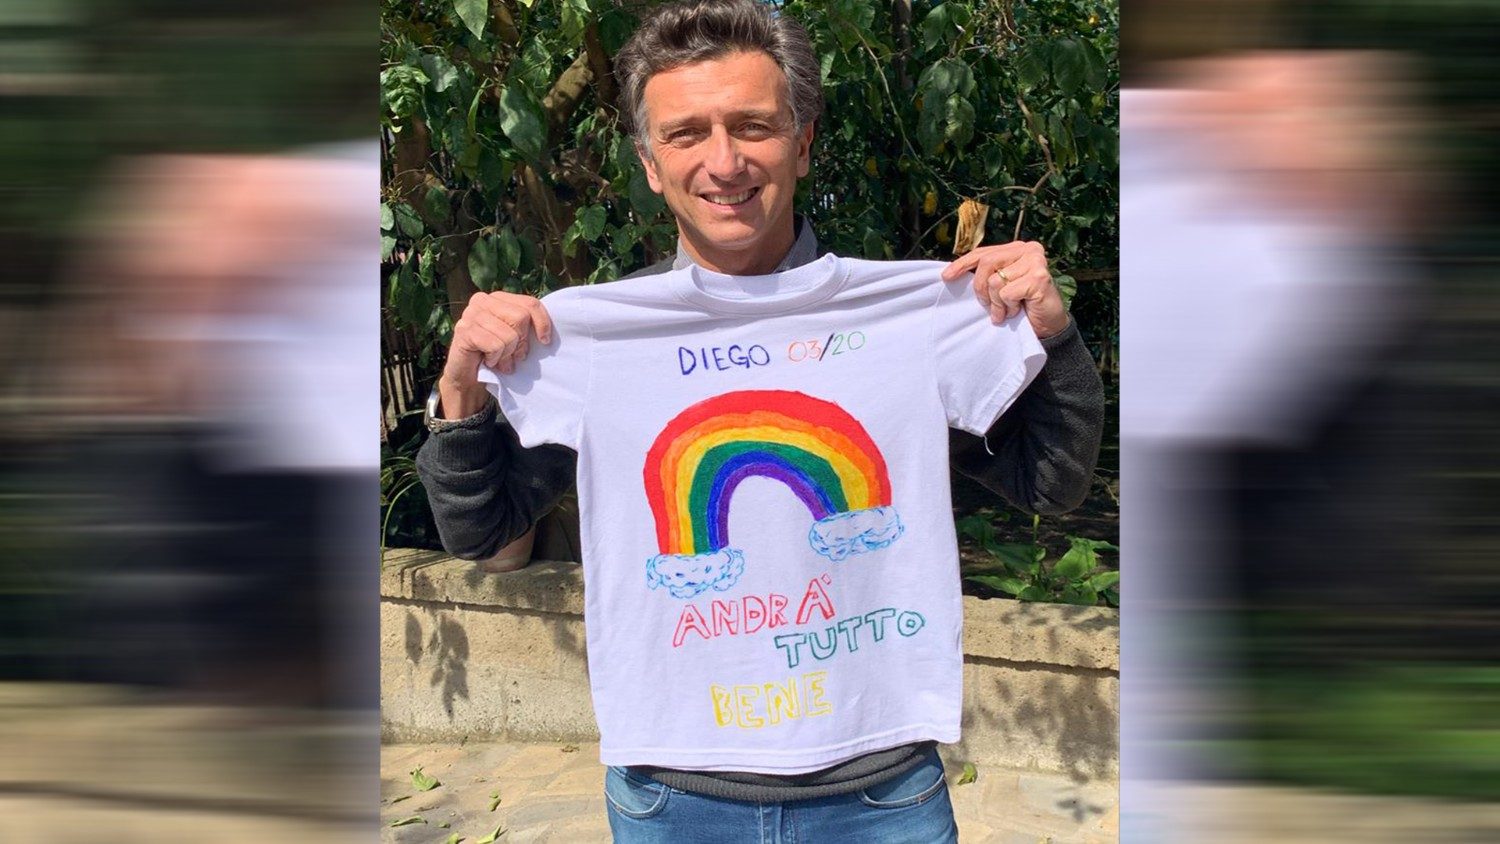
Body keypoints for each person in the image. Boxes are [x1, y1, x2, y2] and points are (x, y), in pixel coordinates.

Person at [416, 1, 1104, 840]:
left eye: (753, 126)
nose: (724, 160)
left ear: (802, 143)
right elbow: (484, 539)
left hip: (880, 791)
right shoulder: (594, 341)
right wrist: (462, 395)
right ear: (649, 164)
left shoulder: (906, 319)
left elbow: (1053, 485)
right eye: (686, 134)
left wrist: (1053, 337)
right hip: (674, 795)